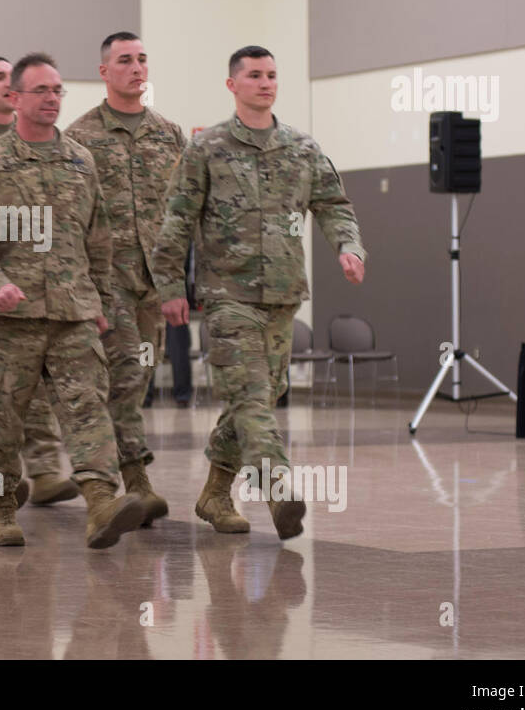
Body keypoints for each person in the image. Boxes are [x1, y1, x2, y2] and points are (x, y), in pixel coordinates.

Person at [152, 45, 367, 541]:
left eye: (271, 74)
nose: (265, 82)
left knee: (252, 404)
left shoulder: (302, 148)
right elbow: (177, 218)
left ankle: (213, 494)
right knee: (252, 400)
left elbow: (335, 204)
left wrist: (349, 247)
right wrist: (169, 285)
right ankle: (276, 486)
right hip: (227, 296)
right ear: (233, 85)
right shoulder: (206, 149)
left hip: (283, 299)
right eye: (254, 75)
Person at [0, 52, 146, 548]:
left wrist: (100, 303)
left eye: (58, 90)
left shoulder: (81, 161)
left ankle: (102, 502)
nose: (52, 99)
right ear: (14, 98)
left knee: (87, 410)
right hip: (7, 318)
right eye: (41, 91)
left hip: (72, 313)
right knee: (1, 422)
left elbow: (98, 240)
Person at [66, 32, 186, 526]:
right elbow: (71, 220)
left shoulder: (170, 134)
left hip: (152, 282)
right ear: (104, 72)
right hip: (106, 279)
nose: (136, 68)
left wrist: (177, 283)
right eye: (124, 61)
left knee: (138, 379)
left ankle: (116, 479)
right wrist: (83, 290)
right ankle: (132, 481)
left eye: (141, 60)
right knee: (124, 377)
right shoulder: (80, 137)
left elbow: (182, 215)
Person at [0, 56, 79, 505]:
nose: (3, 83)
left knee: (31, 389)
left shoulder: (58, 146)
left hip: (42, 289)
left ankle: (48, 470)